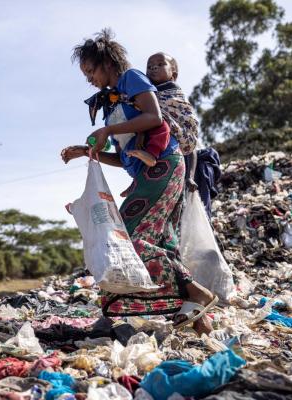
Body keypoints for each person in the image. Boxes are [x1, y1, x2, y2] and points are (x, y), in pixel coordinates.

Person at [61, 29, 217, 334]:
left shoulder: (131, 78)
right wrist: (87, 152)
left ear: (106, 63)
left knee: (126, 239)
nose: (89, 79)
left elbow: (155, 117)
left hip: (163, 168)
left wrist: (105, 134)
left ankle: (197, 293)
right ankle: (201, 323)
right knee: (162, 243)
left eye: (90, 71)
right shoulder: (112, 106)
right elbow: (125, 158)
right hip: (146, 174)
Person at [146, 52, 221, 217]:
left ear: (174, 74)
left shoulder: (177, 101)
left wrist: (190, 176)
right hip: (167, 165)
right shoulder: (145, 99)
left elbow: (190, 144)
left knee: (195, 213)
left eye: (160, 64)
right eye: (149, 66)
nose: (153, 68)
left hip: (193, 164)